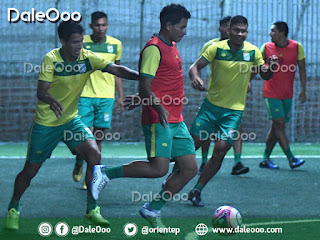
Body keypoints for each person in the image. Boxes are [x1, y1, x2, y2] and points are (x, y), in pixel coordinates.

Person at [5, 21, 139, 230]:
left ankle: (92, 209)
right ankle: (14, 207)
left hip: (70, 121)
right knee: (30, 170)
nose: (79, 46)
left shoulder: (88, 58)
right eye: (75, 42)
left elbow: (117, 69)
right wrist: (50, 100)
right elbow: (41, 92)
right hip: (46, 124)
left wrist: (144, 78)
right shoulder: (51, 59)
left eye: (81, 41)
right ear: (63, 41)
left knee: (94, 154)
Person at [90, 4, 197, 228]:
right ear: (168, 25)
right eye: (181, 27)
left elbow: (160, 82)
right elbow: (145, 85)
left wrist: (145, 100)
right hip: (159, 118)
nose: (184, 31)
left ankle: (152, 209)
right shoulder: (153, 48)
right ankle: (105, 173)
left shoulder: (172, 44)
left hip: (176, 119)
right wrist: (157, 108)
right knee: (159, 169)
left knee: (189, 168)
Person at [187, 15, 278, 207]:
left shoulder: (253, 51)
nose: (240, 34)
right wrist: (196, 78)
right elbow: (194, 68)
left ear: (247, 31)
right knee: (190, 146)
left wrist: (273, 67)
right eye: (236, 30)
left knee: (220, 151)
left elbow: (266, 74)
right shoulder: (215, 48)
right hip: (210, 108)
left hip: (233, 112)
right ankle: (175, 173)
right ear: (229, 31)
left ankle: (197, 190)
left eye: (243, 30)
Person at [72, 11, 124, 190]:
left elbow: (117, 71)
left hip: (106, 97)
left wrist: (121, 96)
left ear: (107, 25)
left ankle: (91, 175)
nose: (101, 28)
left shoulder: (116, 44)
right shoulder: (82, 42)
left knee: (99, 137)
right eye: (97, 25)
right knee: (83, 136)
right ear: (91, 26)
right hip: (84, 96)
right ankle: (80, 159)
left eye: (104, 25)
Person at [197, 16, 249, 176]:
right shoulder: (211, 46)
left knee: (237, 128)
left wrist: (249, 81)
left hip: (235, 100)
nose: (230, 30)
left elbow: (254, 68)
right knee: (206, 132)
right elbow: (197, 66)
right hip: (215, 96)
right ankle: (204, 162)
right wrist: (197, 79)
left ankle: (237, 162)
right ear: (221, 29)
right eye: (227, 27)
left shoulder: (247, 49)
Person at [259, 21, 306, 169]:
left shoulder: (297, 47)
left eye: (273, 30)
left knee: (276, 127)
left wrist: (303, 90)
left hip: (287, 95)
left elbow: (302, 69)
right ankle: (291, 158)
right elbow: (257, 67)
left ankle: (265, 159)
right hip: (270, 93)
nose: (270, 33)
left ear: (282, 32)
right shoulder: (266, 48)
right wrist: (248, 82)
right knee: (280, 125)